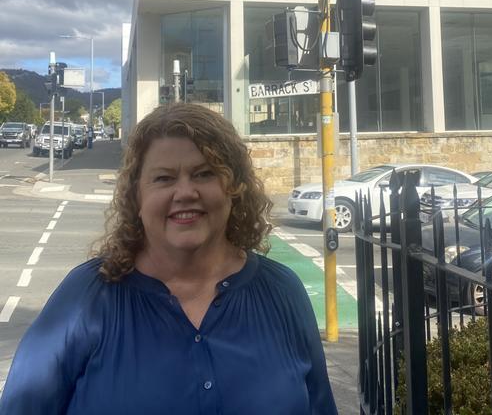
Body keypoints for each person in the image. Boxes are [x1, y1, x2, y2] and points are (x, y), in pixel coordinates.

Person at [0, 103, 338, 414]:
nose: (185, 192)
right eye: (164, 178)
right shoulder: (86, 298)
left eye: (204, 173)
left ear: (234, 187)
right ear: (137, 196)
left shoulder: (283, 293)